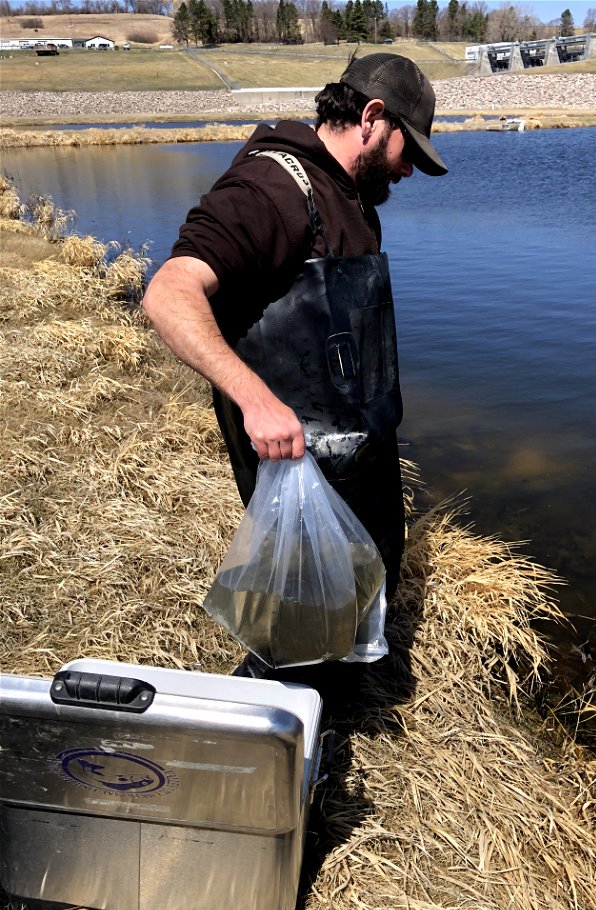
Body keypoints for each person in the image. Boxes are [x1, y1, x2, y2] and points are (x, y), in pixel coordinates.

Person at [142, 53, 447, 601]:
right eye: (409, 151)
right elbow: (169, 291)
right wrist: (255, 400)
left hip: (358, 452)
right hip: (295, 461)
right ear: (373, 117)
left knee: (358, 601)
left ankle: (349, 678)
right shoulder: (269, 189)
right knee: (303, 612)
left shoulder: (353, 197)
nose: (408, 171)